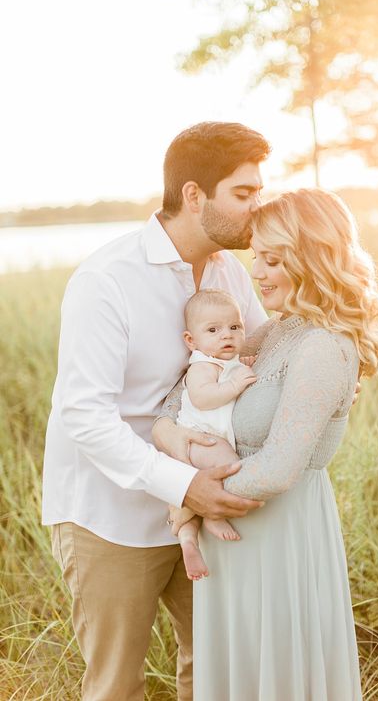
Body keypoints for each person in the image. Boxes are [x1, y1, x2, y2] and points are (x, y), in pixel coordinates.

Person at [42, 121, 271, 701]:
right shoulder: (105, 280)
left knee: (219, 672)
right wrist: (185, 483)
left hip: (207, 509)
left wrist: (338, 356)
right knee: (117, 685)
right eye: (244, 194)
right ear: (194, 195)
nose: (257, 208)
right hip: (109, 515)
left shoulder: (229, 273)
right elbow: (85, 416)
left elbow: (266, 357)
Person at [154, 187, 378, 700]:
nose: (256, 272)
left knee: (279, 677)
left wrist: (192, 486)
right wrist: (169, 437)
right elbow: (179, 400)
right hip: (231, 534)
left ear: (312, 258)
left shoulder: (326, 346)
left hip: (280, 534)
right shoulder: (279, 330)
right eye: (255, 255)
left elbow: (280, 468)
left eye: (273, 259)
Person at [170, 288, 257, 581]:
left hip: (203, 441)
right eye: (213, 330)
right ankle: (213, 516)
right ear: (191, 341)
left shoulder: (225, 361)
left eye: (235, 327)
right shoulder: (202, 365)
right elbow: (202, 397)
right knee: (229, 463)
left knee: (185, 505)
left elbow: (231, 370)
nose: (227, 336)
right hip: (199, 438)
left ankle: (188, 541)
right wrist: (234, 386)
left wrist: (240, 368)